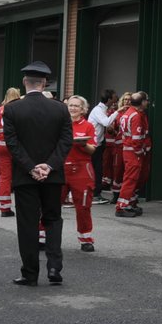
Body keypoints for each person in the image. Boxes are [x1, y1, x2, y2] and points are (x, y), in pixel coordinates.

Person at [3, 61, 73, 287]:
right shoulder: (61, 108)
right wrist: (49, 166)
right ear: (44, 83)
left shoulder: (12, 109)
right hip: (53, 176)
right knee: (53, 219)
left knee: (27, 223)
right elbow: (66, 141)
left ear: (25, 82)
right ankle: (54, 267)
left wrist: (32, 167)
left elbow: (12, 144)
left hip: (25, 176)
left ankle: (30, 273)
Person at [64, 95, 98, 252]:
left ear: (83, 109)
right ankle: (43, 235)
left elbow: (92, 150)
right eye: (70, 105)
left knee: (83, 206)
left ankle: (85, 238)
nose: (72, 108)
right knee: (50, 204)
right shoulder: (60, 125)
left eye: (76, 106)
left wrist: (82, 144)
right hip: (61, 168)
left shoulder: (88, 126)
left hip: (82, 170)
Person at [116, 91, 151, 218]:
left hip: (127, 149)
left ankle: (129, 204)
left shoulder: (127, 113)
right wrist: (140, 152)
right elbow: (136, 139)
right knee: (130, 180)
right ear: (141, 102)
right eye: (146, 100)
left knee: (131, 179)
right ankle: (122, 207)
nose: (147, 102)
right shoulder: (136, 116)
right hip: (133, 152)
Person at [0, 88, 22, 216]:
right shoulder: (19, 109)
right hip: (16, 146)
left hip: (1, 146)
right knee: (21, 176)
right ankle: (22, 207)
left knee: (4, 177)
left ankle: (5, 208)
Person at [88, 89, 117, 202]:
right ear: (109, 99)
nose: (116, 99)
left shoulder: (103, 109)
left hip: (98, 143)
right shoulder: (98, 110)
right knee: (97, 169)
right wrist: (117, 112)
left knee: (98, 168)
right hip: (94, 145)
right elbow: (106, 122)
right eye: (114, 97)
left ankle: (96, 193)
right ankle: (95, 194)